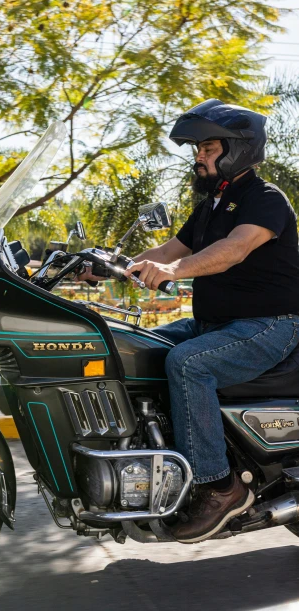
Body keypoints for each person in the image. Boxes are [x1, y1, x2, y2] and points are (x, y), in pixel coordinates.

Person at [79, 99, 299, 543]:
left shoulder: (265, 200)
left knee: (187, 364)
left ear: (239, 150)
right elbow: (165, 253)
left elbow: (234, 249)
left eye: (208, 148)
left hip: (269, 323)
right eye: (197, 148)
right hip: (217, 324)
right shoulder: (212, 206)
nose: (198, 156)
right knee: (134, 348)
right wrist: (104, 264)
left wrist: (176, 273)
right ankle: (153, 466)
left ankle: (220, 486)